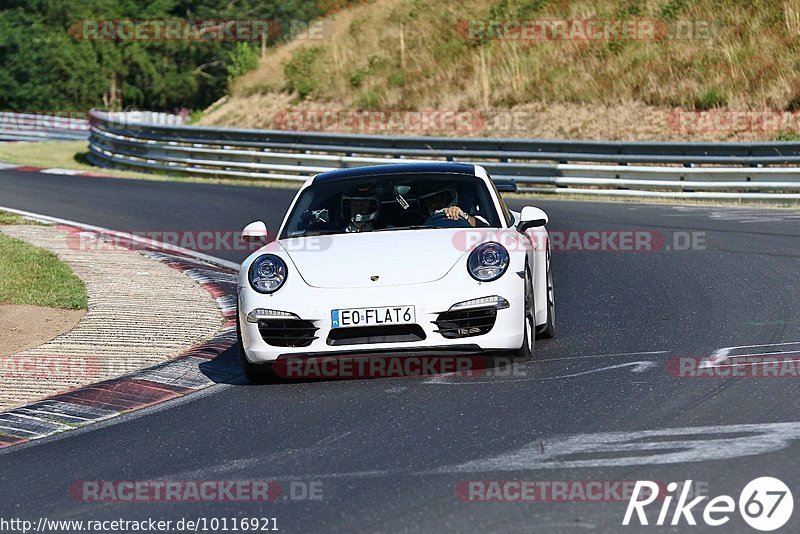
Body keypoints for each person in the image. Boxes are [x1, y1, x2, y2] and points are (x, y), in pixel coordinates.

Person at [419, 187, 487, 227]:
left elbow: (487, 227)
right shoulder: (416, 222)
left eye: (439, 199)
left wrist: (465, 217)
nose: (434, 204)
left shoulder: (472, 218)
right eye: (429, 201)